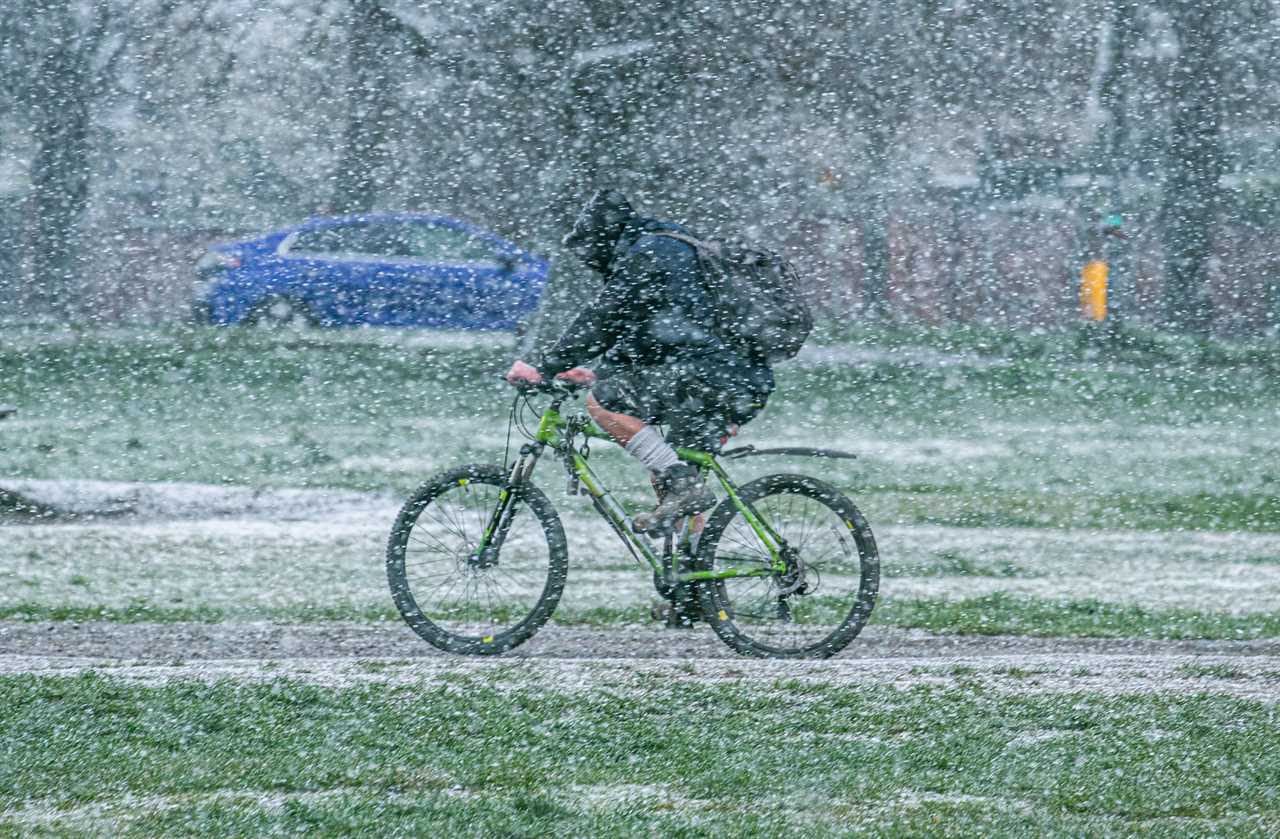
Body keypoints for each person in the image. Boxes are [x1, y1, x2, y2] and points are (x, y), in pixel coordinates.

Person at [505, 189, 774, 536]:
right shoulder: (670, 247)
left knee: (604, 401)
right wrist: (598, 370)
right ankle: (693, 580)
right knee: (671, 472)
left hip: (717, 375)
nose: (592, 260)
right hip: (736, 378)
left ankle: (684, 487)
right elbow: (652, 333)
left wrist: (545, 366)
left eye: (592, 250)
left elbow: (604, 318)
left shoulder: (650, 253)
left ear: (605, 237)